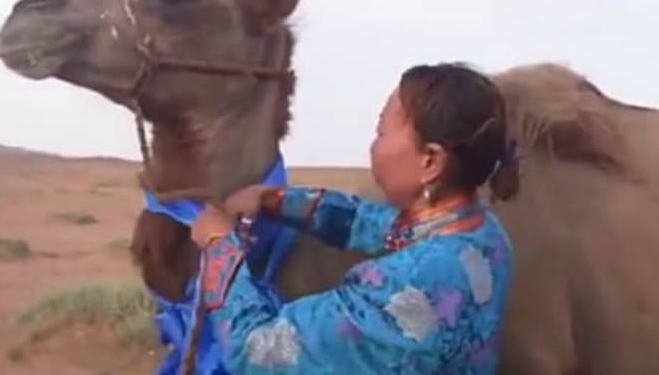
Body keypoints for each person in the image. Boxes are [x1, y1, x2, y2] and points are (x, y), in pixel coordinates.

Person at [190, 63, 518, 374]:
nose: (372, 147)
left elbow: (256, 353)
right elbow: (371, 223)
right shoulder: (481, 233)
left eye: (381, 132)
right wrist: (273, 200)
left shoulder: (400, 290)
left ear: (430, 160)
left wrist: (219, 246)